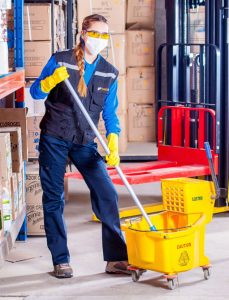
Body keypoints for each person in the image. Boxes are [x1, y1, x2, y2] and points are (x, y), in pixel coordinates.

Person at [30, 14, 130, 279]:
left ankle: (116, 258)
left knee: (107, 193)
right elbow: (36, 93)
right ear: (83, 34)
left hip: (85, 140)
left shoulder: (109, 71)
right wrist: (50, 81)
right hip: (55, 137)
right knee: (54, 198)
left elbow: (109, 113)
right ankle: (60, 260)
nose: (99, 39)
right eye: (95, 34)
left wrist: (114, 139)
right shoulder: (61, 60)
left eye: (104, 35)